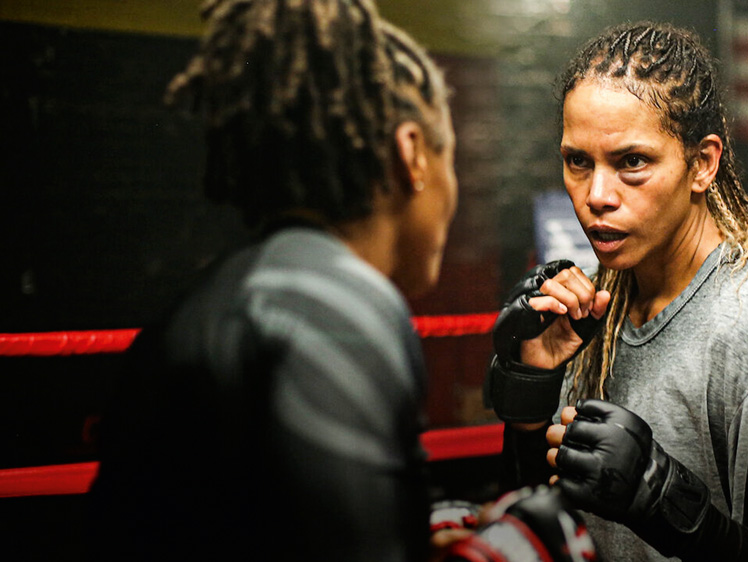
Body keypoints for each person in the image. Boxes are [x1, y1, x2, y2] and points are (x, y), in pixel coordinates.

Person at [86, 2, 595, 561]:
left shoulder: (215, 295)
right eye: (449, 156)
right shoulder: (335, 307)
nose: (453, 194)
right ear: (412, 157)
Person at [486, 21, 748, 561]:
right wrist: (531, 397)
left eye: (632, 161)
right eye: (577, 161)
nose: (596, 196)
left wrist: (669, 506)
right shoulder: (596, 306)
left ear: (701, 163)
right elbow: (545, 513)